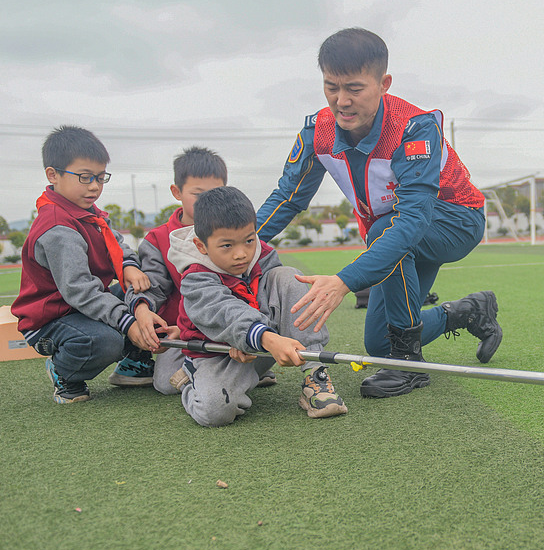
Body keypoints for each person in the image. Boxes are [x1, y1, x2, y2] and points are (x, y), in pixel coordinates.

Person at [256, 28, 502, 399]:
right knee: (377, 344)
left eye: (354, 88)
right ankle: (467, 311)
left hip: (456, 221)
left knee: (386, 229)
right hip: (396, 235)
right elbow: (287, 198)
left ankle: (410, 363)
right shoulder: (317, 131)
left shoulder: (414, 127)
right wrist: (235, 244)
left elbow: (412, 220)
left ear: (383, 83)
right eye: (331, 87)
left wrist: (343, 281)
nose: (341, 101)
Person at [167, 186, 347, 426]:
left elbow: (275, 298)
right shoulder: (195, 277)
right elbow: (224, 312)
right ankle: (192, 379)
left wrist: (259, 337)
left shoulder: (260, 253)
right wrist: (260, 337)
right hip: (215, 353)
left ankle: (316, 375)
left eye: (249, 240)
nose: (242, 254)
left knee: (287, 276)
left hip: (259, 344)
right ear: (202, 246)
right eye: (227, 246)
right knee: (214, 413)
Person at [12, 125, 164, 403]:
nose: (94, 186)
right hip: (52, 319)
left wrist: (129, 265)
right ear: (52, 175)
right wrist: (128, 322)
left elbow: (118, 244)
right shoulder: (58, 227)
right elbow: (80, 290)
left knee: (147, 289)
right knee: (105, 340)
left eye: (100, 177)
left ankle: (133, 364)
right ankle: (63, 371)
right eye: (84, 177)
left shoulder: (89, 213)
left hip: (84, 308)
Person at [124, 146, 279, 394]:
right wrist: (142, 309)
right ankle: (231, 371)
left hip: (239, 322)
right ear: (177, 192)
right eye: (197, 194)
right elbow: (151, 286)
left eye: (215, 192)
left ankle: (245, 363)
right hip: (187, 332)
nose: (207, 200)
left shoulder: (240, 236)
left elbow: (264, 278)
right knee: (165, 383)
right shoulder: (158, 239)